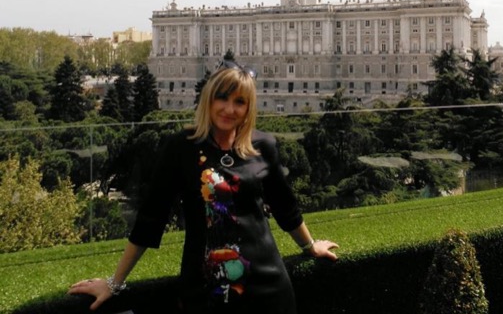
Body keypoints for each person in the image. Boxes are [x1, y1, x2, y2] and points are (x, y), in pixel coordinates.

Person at [69, 60, 339, 313]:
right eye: (222, 98)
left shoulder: (263, 145)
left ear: (249, 108)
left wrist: (310, 246)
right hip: (204, 289)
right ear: (208, 100)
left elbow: (284, 206)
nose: (229, 109)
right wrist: (114, 283)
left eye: (239, 102)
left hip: (267, 287)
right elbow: (152, 217)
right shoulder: (181, 147)